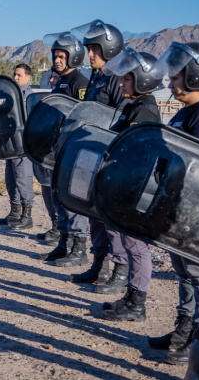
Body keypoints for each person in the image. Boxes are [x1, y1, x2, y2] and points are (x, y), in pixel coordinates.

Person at [146, 41, 199, 365]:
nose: (171, 82)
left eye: (177, 77)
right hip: (177, 206)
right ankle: (184, 328)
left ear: (196, 76)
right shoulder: (185, 111)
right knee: (184, 272)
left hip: (197, 211)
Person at [97, 48, 163, 322]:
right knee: (129, 242)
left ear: (142, 81)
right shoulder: (135, 107)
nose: (121, 84)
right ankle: (130, 296)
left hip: (137, 188)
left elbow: (131, 149)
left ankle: (138, 302)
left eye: (126, 79)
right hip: (127, 185)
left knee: (136, 245)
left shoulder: (145, 111)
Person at [68, 20, 128, 289]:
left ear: (109, 49)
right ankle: (99, 266)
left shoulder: (117, 80)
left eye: (94, 49)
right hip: (92, 157)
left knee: (110, 220)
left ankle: (121, 271)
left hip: (109, 159)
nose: (89, 54)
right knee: (94, 216)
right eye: (88, 48)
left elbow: (120, 120)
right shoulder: (97, 77)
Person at [37, 32, 89, 266]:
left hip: (72, 150)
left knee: (72, 199)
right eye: (55, 56)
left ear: (73, 57)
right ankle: (63, 242)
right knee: (59, 198)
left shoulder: (80, 82)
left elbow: (84, 116)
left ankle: (79, 248)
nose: (57, 60)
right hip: (58, 149)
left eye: (62, 56)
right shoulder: (60, 81)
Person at [0, 64, 35, 230]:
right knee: (11, 179)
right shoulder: (11, 94)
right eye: (14, 74)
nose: (15, 78)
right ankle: (14, 212)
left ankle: (27, 216)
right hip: (10, 144)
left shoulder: (30, 97)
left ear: (28, 77)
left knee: (23, 178)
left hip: (23, 146)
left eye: (19, 75)